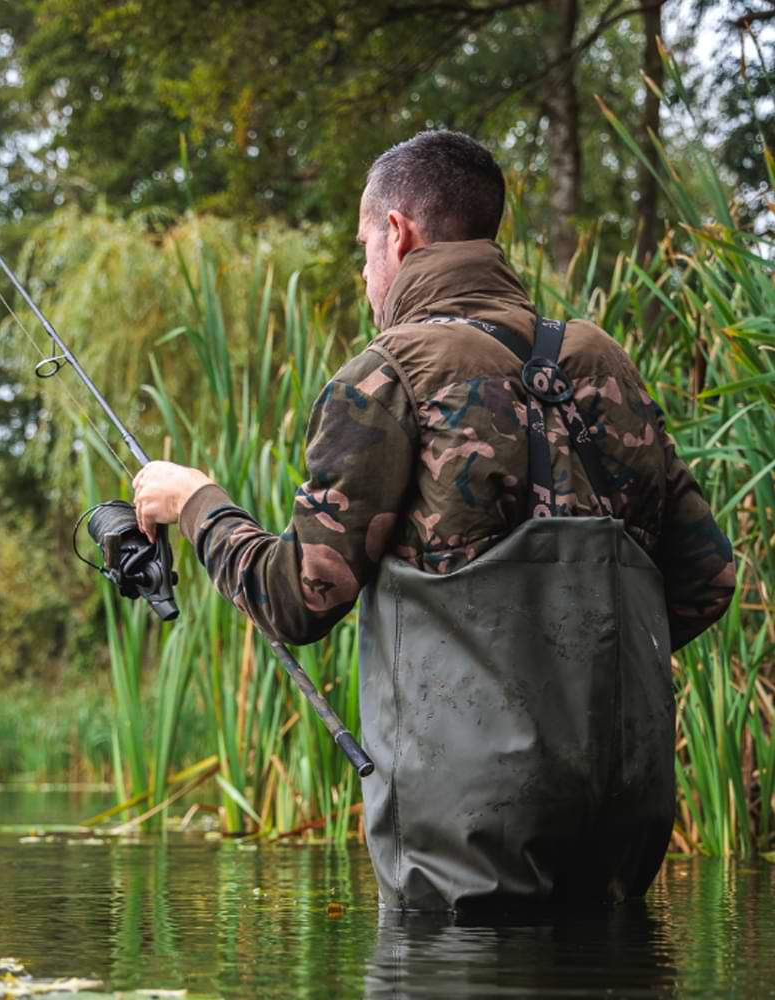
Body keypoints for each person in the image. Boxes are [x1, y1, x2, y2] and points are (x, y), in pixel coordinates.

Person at [131, 130, 735, 910]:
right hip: (625, 818)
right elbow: (707, 581)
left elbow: (302, 599)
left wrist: (197, 504)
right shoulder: (601, 362)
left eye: (363, 246)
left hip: (464, 840)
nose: (364, 273)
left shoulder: (389, 375)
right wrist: (573, 674)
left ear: (398, 233)